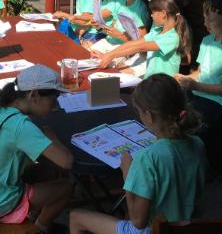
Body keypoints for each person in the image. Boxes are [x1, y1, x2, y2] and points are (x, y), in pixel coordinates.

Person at [69, 74, 207, 234]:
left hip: (154, 230)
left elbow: (138, 222)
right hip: (186, 225)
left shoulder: (148, 158)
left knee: (75, 217)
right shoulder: (198, 144)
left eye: (140, 112)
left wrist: (128, 174)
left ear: (148, 115)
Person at [0, 64, 74, 233]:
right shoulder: (21, 126)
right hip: (0, 204)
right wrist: (52, 137)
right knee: (67, 187)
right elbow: (67, 162)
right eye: (53, 98)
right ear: (33, 95)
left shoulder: (2, 110)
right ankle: (41, 227)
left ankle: (35, 216)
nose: (55, 105)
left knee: (51, 170)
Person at [174, 0, 222, 137]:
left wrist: (195, 86)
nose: (205, 23)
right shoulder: (207, 40)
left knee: (187, 132)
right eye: (205, 18)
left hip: (216, 103)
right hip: (197, 95)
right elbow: (201, 72)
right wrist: (184, 79)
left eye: (211, 20)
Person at [93, 0, 193, 78]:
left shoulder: (172, 37)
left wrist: (112, 55)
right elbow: (134, 44)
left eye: (153, 12)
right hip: (151, 81)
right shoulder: (157, 31)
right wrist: (108, 55)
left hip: (163, 86)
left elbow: (140, 47)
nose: (151, 15)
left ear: (163, 13)